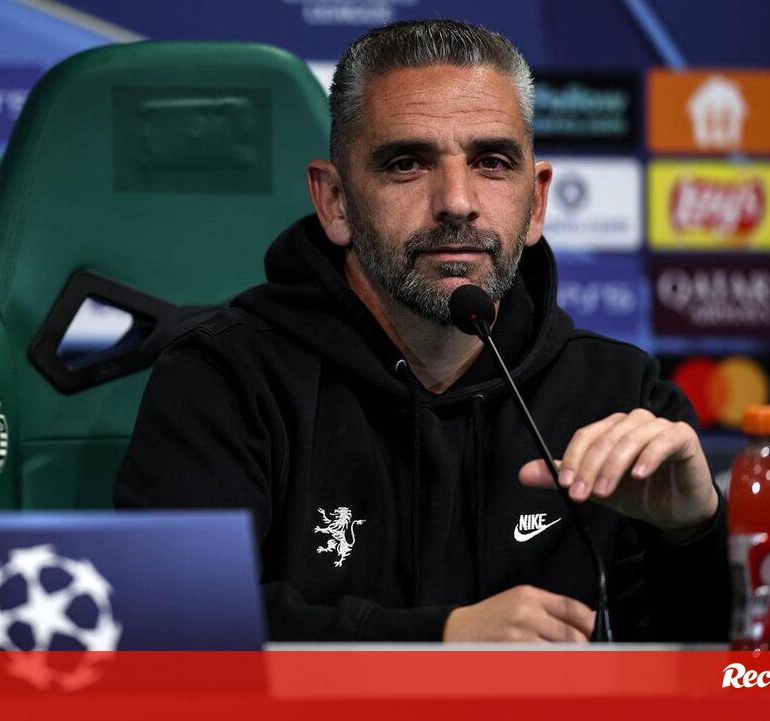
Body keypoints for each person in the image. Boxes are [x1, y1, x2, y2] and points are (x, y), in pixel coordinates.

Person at [115, 19, 729, 643]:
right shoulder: (222, 380)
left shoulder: (622, 397)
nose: (456, 201)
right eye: (406, 163)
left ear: (537, 202)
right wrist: (441, 641)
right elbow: (173, 627)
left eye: (491, 162)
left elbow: (726, 677)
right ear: (335, 202)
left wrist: (691, 533)